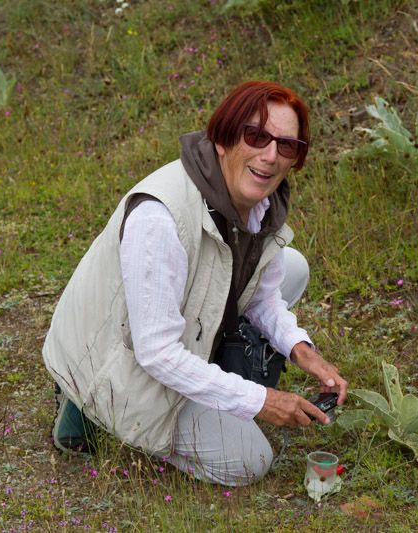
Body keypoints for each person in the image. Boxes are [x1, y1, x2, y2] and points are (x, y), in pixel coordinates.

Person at [42, 80, 348, 487]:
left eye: (287, 146)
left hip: (161, 338)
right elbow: (156, 352)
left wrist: (301, 350)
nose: (270, 156)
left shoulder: (259, 203)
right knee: (249, 461)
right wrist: (260, 401)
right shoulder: (161, 217)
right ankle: (87, 412)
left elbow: (260, 294)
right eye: (255, 136)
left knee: (291, 266)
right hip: (110, 361)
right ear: (222, 140)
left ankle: (204, 378)